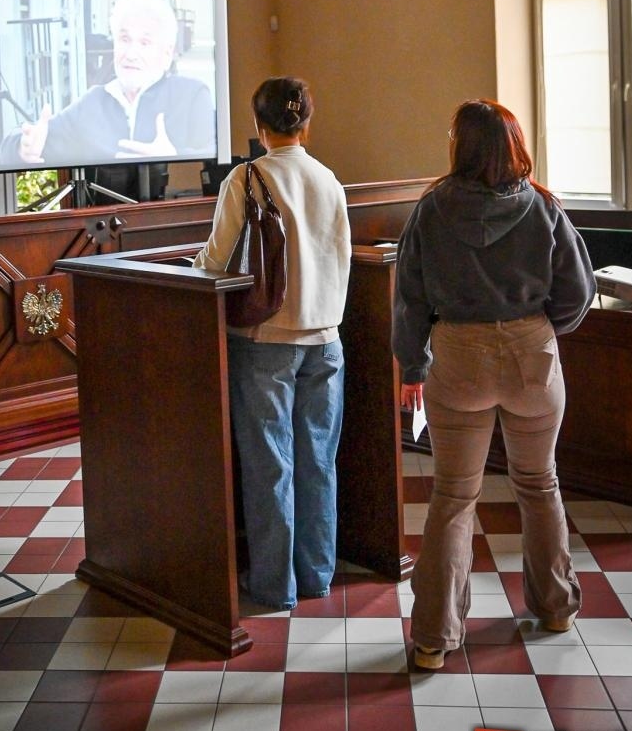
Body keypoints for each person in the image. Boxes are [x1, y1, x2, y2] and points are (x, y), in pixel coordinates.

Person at [392, 99, 596, 670]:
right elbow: (577, 293)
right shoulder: (544, 208)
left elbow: (409, 297)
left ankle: (434, 638)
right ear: (514, 144)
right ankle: (556, 606)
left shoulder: (431, 209)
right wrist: (539, 331)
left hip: (458, 356)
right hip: (532, 354)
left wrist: (412, 366)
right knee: (540, 483)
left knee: (454, 497)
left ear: (463, 146)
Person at [194, 77, 352, 611]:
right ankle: (317, 575)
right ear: (308, 122)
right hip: (327, 338)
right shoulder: (329, 178)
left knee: (271, 465)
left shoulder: (248, 177)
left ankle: (272, 584)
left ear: (258, 126)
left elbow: (216, 259)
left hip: (265, 337)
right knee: (318, 463)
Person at [0, 0, 215, 166]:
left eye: (144, 43)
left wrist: (175, 157)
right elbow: (13, 149)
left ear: (167, 53)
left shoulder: (193, 95)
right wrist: (21, 147)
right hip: (106, 216)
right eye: (124, 39)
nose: (131, 54)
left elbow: (218, 168)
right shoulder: (93, 103)